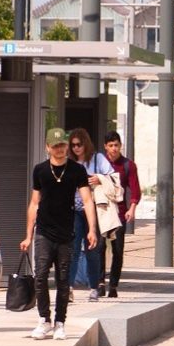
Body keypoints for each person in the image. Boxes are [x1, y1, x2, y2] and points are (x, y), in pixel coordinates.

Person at [21, 128, 98, 341]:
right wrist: (28, 235)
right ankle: (44, 319)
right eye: (55, 146)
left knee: (64, 280)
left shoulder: (76, 171)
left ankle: (60, 323)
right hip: (44, 232)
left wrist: (91, 229)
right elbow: (34, 203)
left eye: (63, 145)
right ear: (48, 147)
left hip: (67, 233)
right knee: (41, 276)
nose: (60, 149)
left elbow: (88, 200)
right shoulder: (40, 171)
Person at [95, 131, 141, 298]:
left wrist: (132, 208)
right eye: (111, 145)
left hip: (119, 212)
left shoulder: (128, 165)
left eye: (117, 145)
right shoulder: (99, 163)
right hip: (101, 211)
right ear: (106, 147)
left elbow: (135, 189)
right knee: (99, 247)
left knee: (117, 250)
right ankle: (100, 282)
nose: (114, 148)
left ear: (120, 145)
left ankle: (113, 285)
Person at [76, 129, 115, 302]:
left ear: (86, 143)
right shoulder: (71, 162)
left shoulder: (97, 159)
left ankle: (95, 286)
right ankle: (69, 287)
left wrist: (100, 178)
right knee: (73, 248)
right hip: (75, 210)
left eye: (79, 144)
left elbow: (113, 176)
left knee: (93, 248)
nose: (76, 148)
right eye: (73, 145)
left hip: (94, 209)